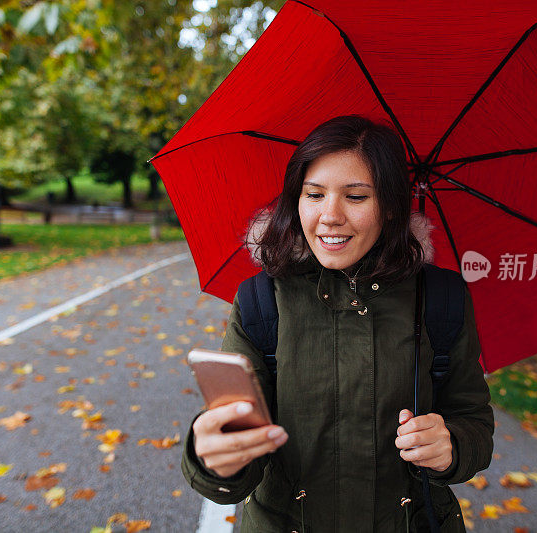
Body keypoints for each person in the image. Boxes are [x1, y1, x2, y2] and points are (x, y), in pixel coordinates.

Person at [182, 115, 494, 532]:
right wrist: (217, 456)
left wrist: (451, 446)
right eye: (314, 194)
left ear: (390, 206)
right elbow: (236, 444)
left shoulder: (442, 298)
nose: (329, 216)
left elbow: (472, 418)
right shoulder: (261, 301)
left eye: (356, 197)